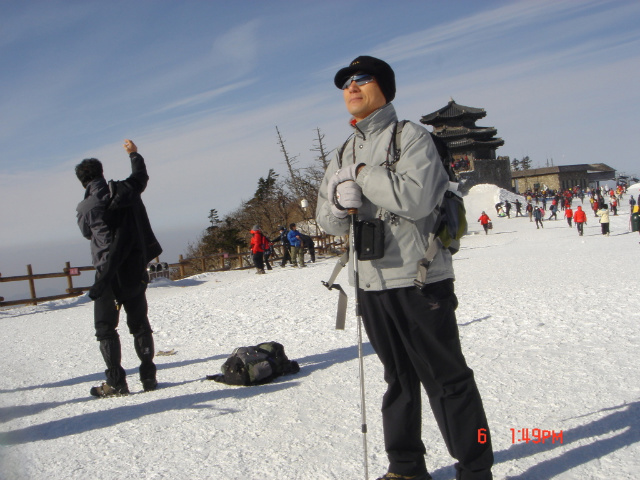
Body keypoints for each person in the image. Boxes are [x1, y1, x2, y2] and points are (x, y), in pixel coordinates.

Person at [316, 56, 493, 480]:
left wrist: (361, 174)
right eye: (345, 83)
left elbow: (416, 199)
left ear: (384, 87)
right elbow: (325, 218)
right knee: (397, 379)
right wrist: (341, 203)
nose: (351, 87)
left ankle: (475, 469)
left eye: (362, 78)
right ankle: (406, 467)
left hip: (419, 278)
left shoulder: (411, 137)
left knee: (448, 379)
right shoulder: (342, 149)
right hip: (370, 282)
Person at [75, 139, 162, 397]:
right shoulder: (127, 189)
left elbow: (85, 233)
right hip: (134, 268)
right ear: (101, 172)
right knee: (139, 324)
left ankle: (116, 382)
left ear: (82, 181)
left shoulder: (85, 207)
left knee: (106, 329)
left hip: (107, 274)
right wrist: (133, 154)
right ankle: (149, 377)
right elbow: (140, 177)